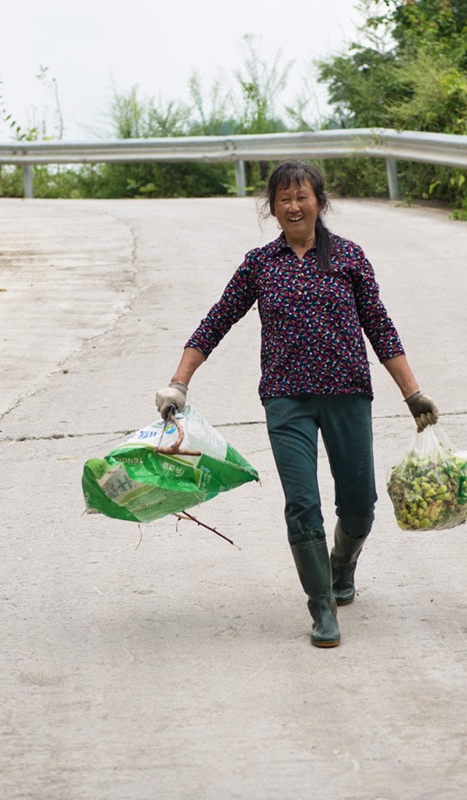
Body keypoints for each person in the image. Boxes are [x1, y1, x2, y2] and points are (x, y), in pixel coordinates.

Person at [154, 161, 439, 649]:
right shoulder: (260, 264)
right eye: (283, 198)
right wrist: (179, 382)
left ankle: (342, 564)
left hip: (347, 394)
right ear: (272, 207)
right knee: (302, 503)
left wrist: (413, 394)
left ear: (319, 203)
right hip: (286, 400)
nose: (292, 206)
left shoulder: (349, 258)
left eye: (301, 196)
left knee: (360, 506)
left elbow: (380, 327)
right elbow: (216, 321)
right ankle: (322, 606)